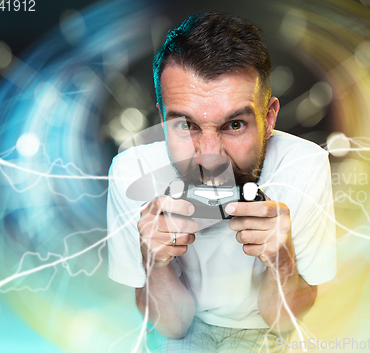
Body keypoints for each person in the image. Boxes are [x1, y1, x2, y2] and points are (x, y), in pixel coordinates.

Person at [107, 12, 336, 352]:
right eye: (186, 125)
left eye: (234, 125)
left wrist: (282, 260)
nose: (211, 157)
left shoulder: (304, 165)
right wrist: (155, 264)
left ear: (269, 117)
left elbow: (283, 321)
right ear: (162, 120)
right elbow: (170, 327)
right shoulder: (132, 171)